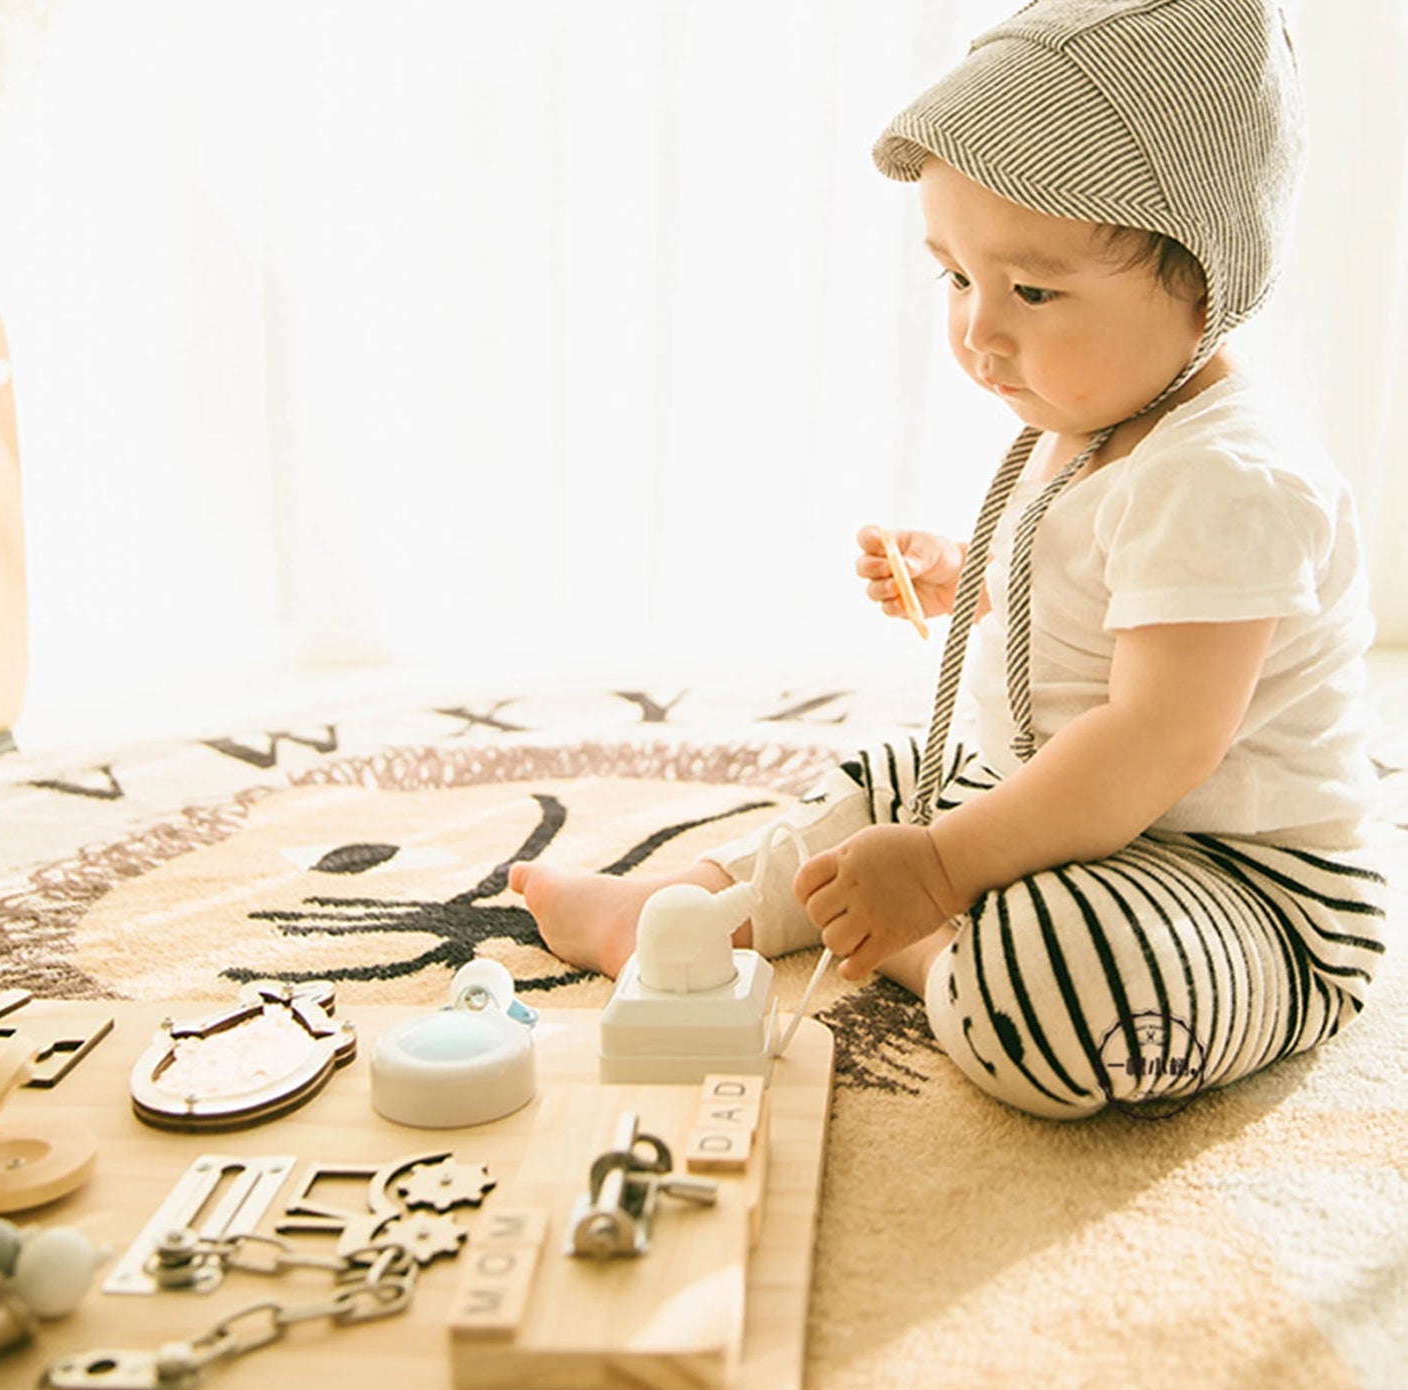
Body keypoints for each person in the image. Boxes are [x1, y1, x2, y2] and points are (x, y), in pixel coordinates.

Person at [510, 0, 1388, 1119]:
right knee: (887, 782)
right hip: (1060, 801)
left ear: (1205, 284)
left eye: (1028, 289)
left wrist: (935, 872)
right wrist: (965, 579)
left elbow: (1157, 738)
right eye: (955, 278)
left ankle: (927, 942)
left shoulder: (1227, 478)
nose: (979, 329)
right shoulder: (1099, 410)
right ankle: (676, 914)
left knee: (1065, 981)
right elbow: (1087, 593)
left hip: (1236, 880)